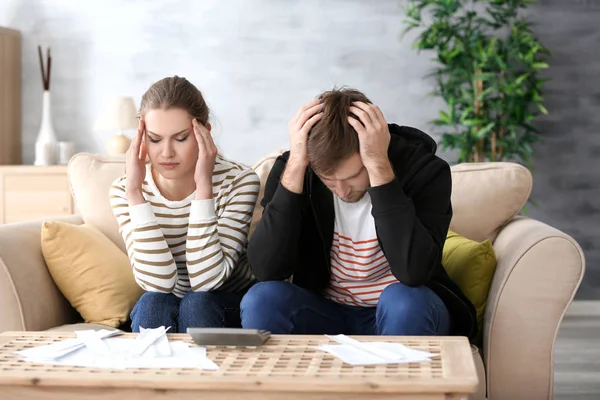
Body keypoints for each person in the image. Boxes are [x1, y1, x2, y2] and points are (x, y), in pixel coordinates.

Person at [241, 87, 477, 340]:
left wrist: (379, 167)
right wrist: (297, 163)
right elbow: (266, 270)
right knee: (261, 299)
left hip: (404, 311)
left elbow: (414, 272)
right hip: (325, 311)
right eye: (329, 181)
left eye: (352, 176)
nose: (342, 191)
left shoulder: (425, 172)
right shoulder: (297, 172)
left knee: (404, 301)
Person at [109, 76, 260, 333]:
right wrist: (135, 195)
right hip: (168, 298)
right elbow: (157, 283)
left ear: (204, 134)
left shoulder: (240, 181)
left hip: (223, 300)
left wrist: (204, 188)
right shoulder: (125, 190)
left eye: (180, 138)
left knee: (197, 303)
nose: (166, 153)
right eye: (155, 139)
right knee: (151, 304)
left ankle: (203, 373)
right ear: (141, 138)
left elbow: (207, 281)